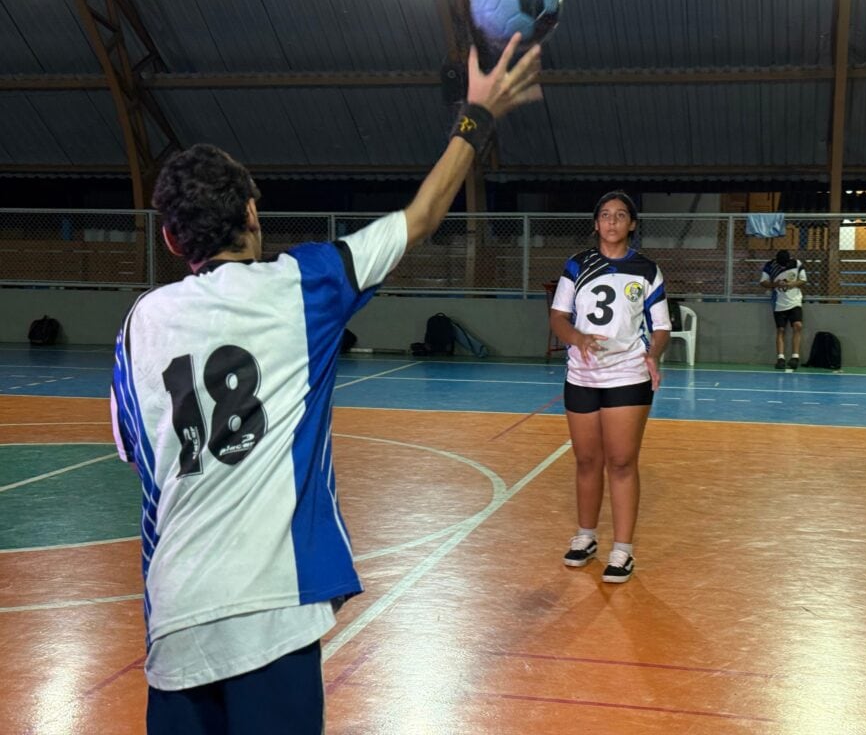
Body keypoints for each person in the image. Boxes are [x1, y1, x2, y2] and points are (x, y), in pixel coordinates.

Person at [109, 36, 542, 734]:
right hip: (273, 606)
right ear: (252, 214)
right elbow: (423, 216)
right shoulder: (301, 285)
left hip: (177, 616)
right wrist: (476, 116)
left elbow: (138, 454)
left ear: (170, 240)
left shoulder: (141, 324)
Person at [548, 191, 671, 584]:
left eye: (621, 215)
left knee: (621, 462)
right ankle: (586, 536)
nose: (612, 221)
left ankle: (623, 549)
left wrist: (654, 352)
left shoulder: (647, 270)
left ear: (632, 224)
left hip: (628, 375)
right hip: (582, 375)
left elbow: (663, 326)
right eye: (605, 215)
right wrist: (576, 338)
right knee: (587, 461)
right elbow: (558, 317)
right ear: (596, 223)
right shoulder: (577, 265)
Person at [760, 248, 807, 369]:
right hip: (779, 303)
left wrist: (792, 284)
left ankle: (795, 356)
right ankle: (780, 358)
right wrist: (775, 284)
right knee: (780, 330)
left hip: (795, 301)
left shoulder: (797, 264)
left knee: (798, 326)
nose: (783, 266)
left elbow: (803, 280)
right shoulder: (770, 265)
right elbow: (763, 282)